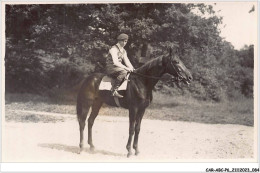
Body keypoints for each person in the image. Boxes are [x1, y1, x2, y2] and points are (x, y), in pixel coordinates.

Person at [105, 33, 134, 98]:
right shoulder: (113, 49)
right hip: (111, 67)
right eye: (122, 41)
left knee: (131, 73)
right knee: (124, 72)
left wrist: (132, 69)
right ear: (119, 41)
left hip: (118, 68)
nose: (124, 43)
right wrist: (126, 68)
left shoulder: (123, 51)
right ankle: (114, 90)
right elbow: (115, 62)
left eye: (125, 41)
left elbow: (127, 61)